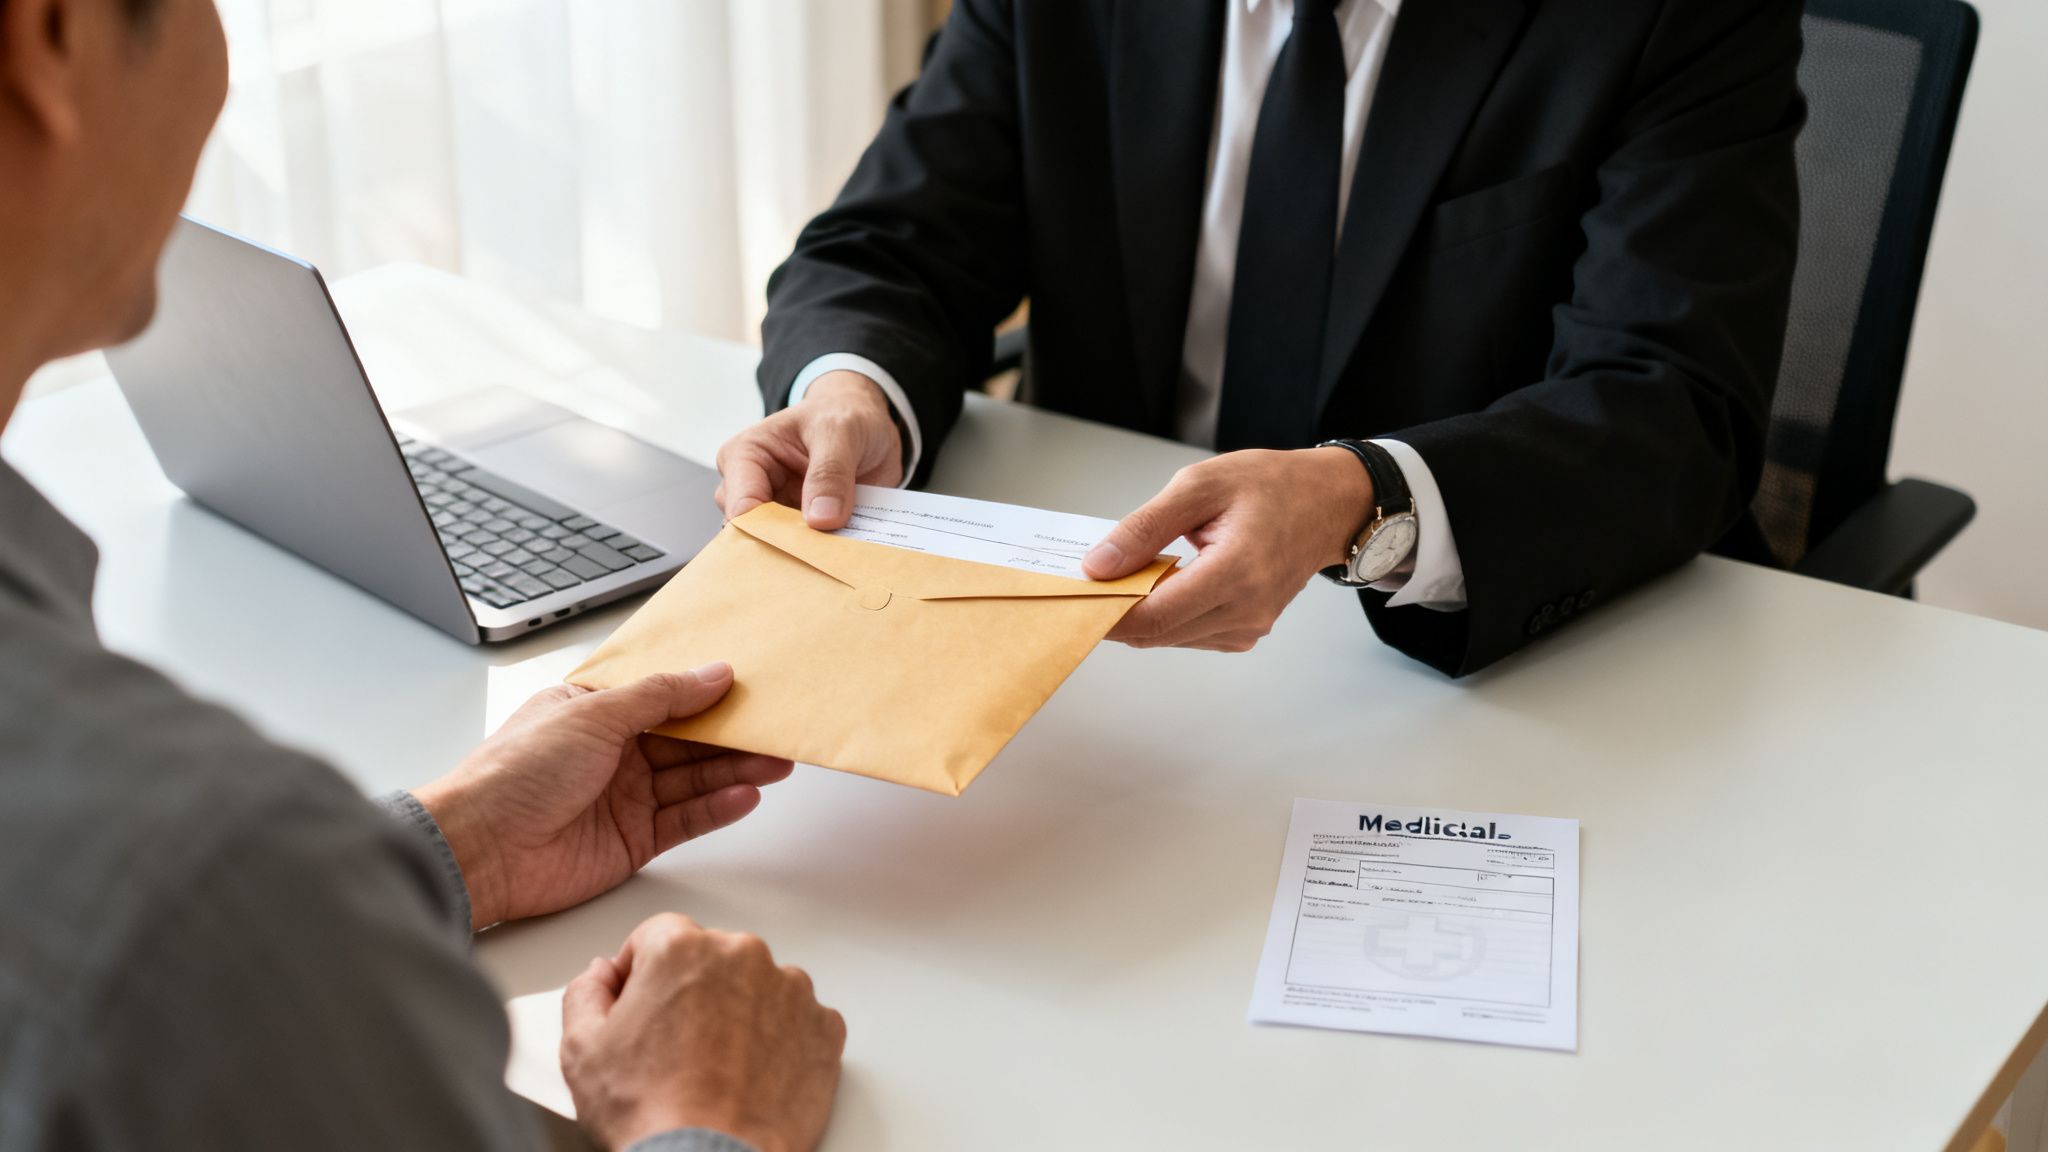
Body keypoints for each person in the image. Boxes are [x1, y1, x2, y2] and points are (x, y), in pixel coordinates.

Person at [0, 1, 844, 1149]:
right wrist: (707, 1118)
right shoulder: (197, 882)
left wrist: (455, 847)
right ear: (49, 39)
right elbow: (179, 932)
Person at [715, 0, 1805, 676]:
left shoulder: (1672, 13)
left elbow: (1673, 400)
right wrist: (853, 389)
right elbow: (888, 243)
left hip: (1456, 655)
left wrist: (1360, 500)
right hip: (1102, 643)